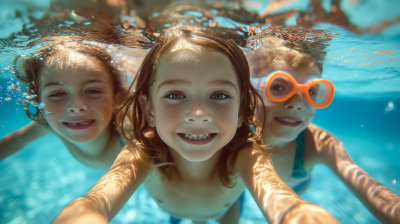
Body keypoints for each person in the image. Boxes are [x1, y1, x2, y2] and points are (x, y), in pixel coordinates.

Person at [53, 29, 339, 224]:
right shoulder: (142, 153)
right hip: (174, 210)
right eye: (176, 95)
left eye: (219, 95)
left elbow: (283, 201)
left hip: (226, 209)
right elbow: (96, 201)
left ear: (242, 110)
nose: (199, 114)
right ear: (149, 110)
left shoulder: (247, 155)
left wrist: (300, 213)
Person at [247, 37, 400, 224]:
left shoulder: (319, 143)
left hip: (298, 185)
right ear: (250, 93)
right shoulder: (236, 133)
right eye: (278, 87)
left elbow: (376, 193)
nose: (296, 105)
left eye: (310, 91)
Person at [0, 41, 129, 171]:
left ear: (116, 100)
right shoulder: (50, 123)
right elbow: (17, 140)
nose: (77, 106)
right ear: (40, 105)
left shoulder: (132, 134)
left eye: (92, 91)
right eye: (58, 93)